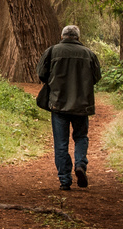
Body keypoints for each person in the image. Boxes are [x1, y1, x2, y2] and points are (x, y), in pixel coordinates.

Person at [36, 25, 102, 191]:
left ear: (63, 36)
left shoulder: (52, 51)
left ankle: (65, 181)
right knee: (81, 137)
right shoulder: (89, 54)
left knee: (61, 143)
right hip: (82, 105)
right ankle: (80, 164)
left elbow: (41, 74)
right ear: (78, 37)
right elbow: (96, 77)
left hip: (58, 104)